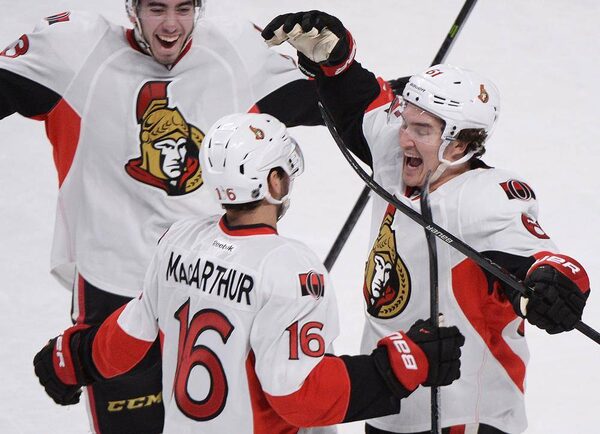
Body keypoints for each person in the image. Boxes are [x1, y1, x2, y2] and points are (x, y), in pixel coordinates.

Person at [0, 1, 326, 432]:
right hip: (115, 290)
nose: (171, 25)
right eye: (156, 8)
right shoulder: (74, 50)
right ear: (132, 8)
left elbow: (338, 108)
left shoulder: (235, 51)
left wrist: (339, 67)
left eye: (183, 8)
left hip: (215, 286)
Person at [261, 11, 592, 434]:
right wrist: (336, 62)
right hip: (390, 404)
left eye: (421, 129)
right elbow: (361, 104)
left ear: (461, 143)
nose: (404, 138)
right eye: (405, 122)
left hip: (466, 417)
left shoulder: (487, 197)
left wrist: (555, 282)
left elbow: (538, 259)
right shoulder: (398, 153)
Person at [33, 112, 465, 434]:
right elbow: (299, 397)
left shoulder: (178, 240)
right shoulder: (291, 269)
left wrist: (72, 360)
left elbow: (129, 336)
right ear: (274, 183)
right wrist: (402, 364)